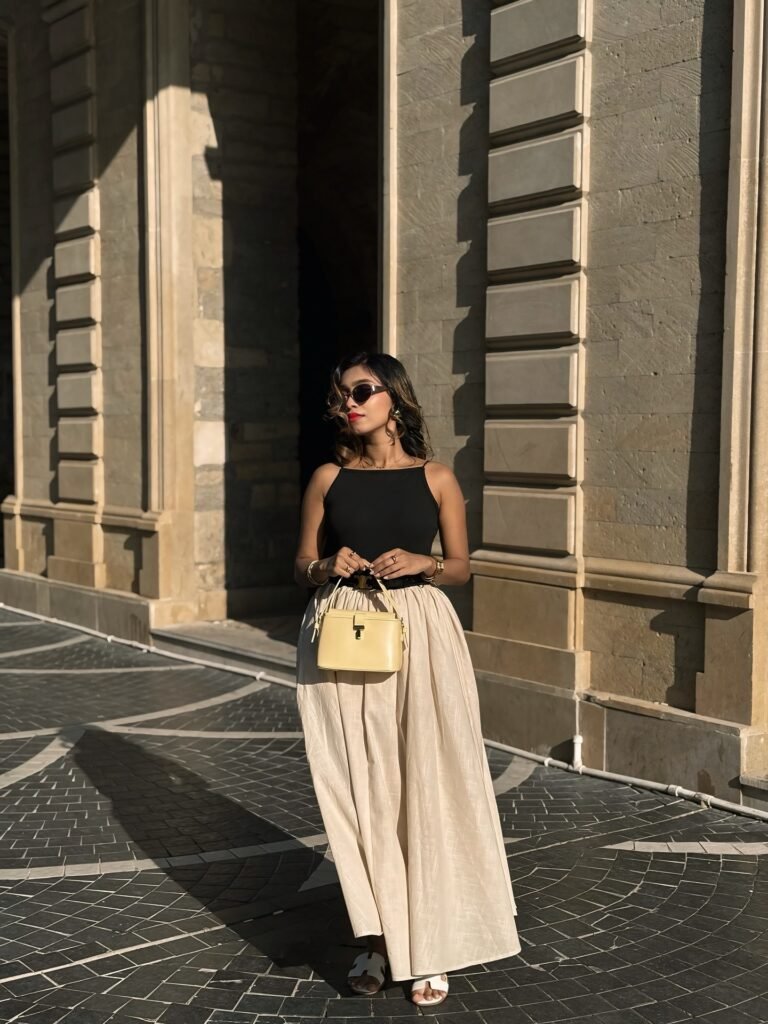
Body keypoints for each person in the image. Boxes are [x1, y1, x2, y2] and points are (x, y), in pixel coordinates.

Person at [294, 352, 520, 1006]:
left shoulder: (438, 478)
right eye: (341, 395)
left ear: (396, 397)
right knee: (361, 786)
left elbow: (460, 568)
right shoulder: (327, 478)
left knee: (426, 779)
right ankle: (379, 938)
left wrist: (425, 560)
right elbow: (302, 560)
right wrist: (324, 565)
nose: (349, 403)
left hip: (419, 634)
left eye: (362, 391)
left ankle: (432, 940)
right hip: (342, 630)